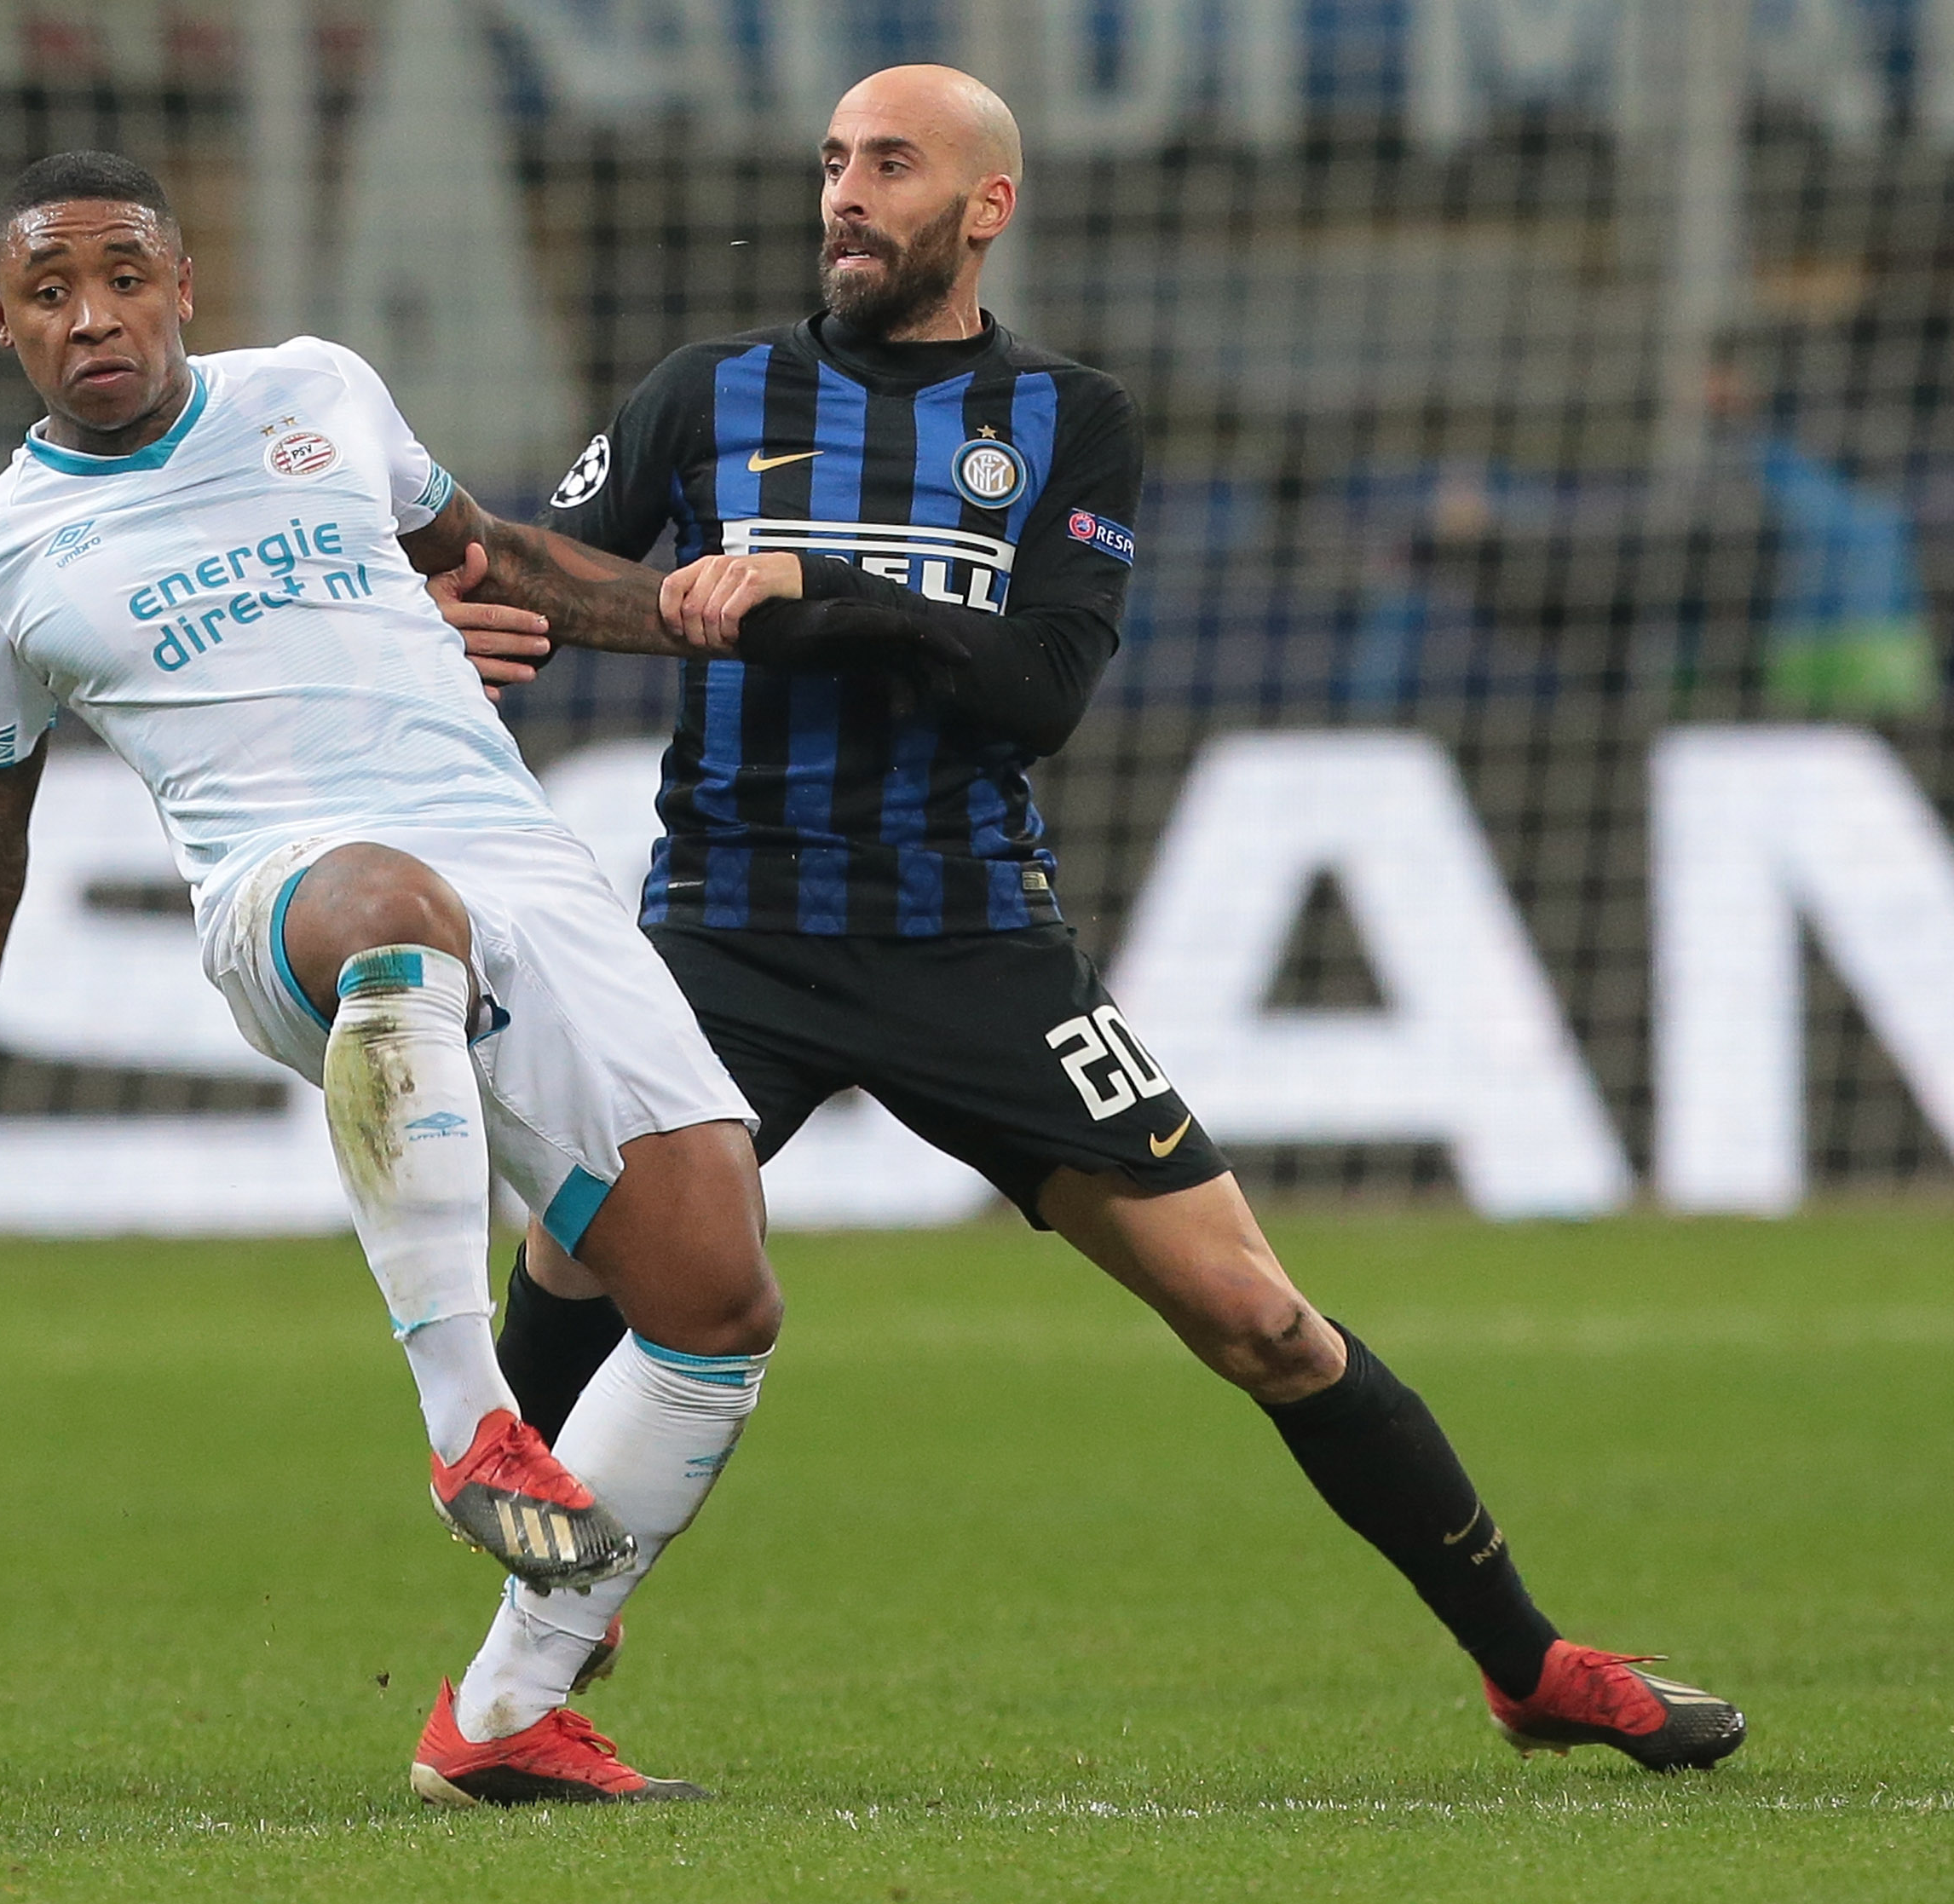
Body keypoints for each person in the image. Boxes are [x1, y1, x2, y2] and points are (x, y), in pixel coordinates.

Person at [447, 66, 1745, 1773]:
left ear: (986, 205)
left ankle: (1533, 1667)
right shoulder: (709, 394)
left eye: (891, 165)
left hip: (978, 945)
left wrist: (814, 590)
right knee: (576, 1247)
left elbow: (1040, 687)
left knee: (1262, 1319)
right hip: (725, 934)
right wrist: (476, 620)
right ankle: (530, 1652)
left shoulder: (1070, 420)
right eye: (833, 162)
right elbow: (563, 569)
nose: (846, 192)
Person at [0, 150, 789, 1805]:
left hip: (514, 858)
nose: (95, 319)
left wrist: (724, 622)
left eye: (125, 278)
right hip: (290, 897)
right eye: (51, 294)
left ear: (184, 286)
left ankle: (502, 1719)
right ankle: (469, 1426)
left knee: (715, 1296)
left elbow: (492, 558)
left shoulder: (321, 393)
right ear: (0, 322)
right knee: (388, 907)